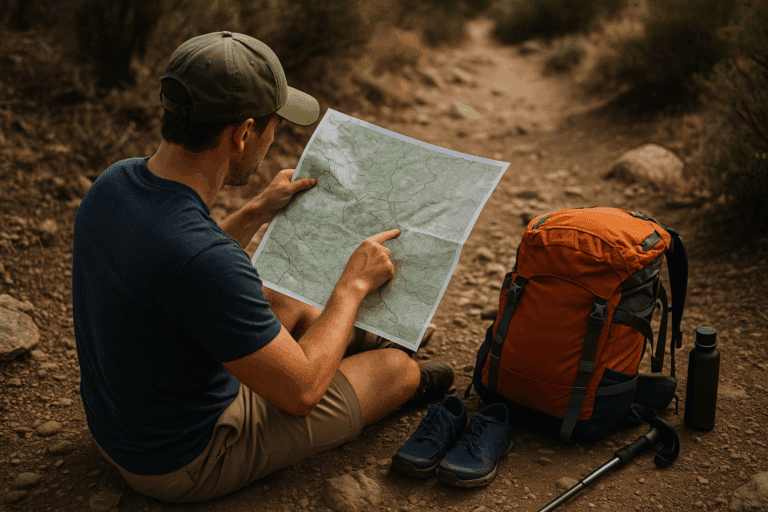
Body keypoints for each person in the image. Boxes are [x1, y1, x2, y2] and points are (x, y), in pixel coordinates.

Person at [72, 31, 455, 503]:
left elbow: (176, 272)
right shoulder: (205, 260)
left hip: (124, 422)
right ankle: (380, 356)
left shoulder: (113, 184)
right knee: (397, 369)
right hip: (182, 460)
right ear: (243, 133)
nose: (273, 139)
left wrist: (255, 210)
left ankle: (356, 338)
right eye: (274, 126)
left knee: (280, 297)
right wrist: (352, 286)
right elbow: (302, 393)